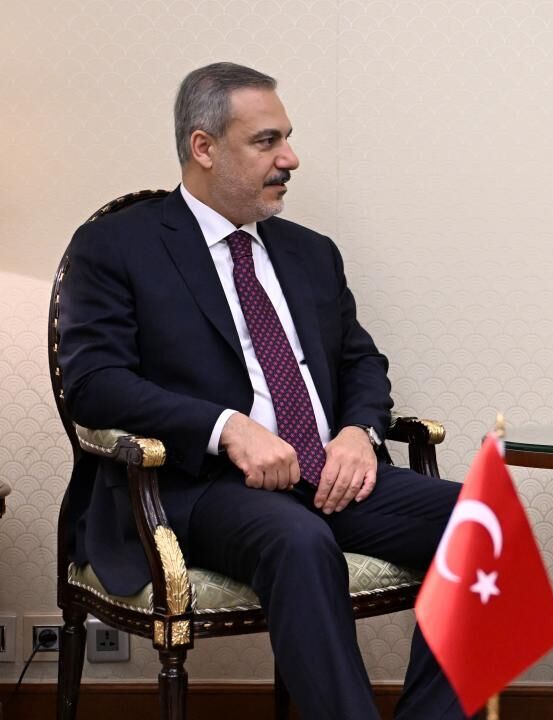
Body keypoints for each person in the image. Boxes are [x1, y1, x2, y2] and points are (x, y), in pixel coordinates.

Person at [59, 62, 466, 720]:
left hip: (327, 471)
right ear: (204, 147)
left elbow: (361, 360)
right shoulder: (116, 246)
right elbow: (95, 385)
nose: (290, 159)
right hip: (200, 486)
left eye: (288, 138)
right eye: (266, 141)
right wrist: (228, 428)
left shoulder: (310, 252)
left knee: (484, 522)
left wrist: (359, 432)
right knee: (299, 540)